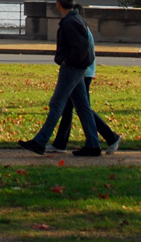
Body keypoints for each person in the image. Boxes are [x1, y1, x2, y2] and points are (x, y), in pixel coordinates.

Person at [18, 0, 102, 157]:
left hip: (72, 69)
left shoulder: (69, 22)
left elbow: (76, 49)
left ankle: (40, 142)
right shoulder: (77, 19)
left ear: (58, 5)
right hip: (80, 68)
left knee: (57, 103)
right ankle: (93, 144)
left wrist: (65, 60)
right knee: (83, 106)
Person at [48, 22, 123, 154]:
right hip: (84, 72)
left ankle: (111, 137)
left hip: (81, 74)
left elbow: (81, 53)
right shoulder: (83, 30)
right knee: (70, 109)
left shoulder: (79, 31)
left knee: (83, 109)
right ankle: (61, 143)